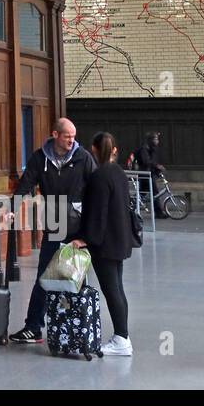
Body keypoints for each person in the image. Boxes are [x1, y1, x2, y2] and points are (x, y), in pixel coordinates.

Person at [7, 117, 98, 345]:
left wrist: (88, 233)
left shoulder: (83, 158)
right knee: (44, 276)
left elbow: (97, 188)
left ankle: (79, 329)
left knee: (76, 277)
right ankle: (33, 327)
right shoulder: (40, 158)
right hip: (54, 225)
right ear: (55, 135)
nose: (71, 140)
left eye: (74, 136)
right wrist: (12, 208)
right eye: (67, 136)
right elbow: (25, 184)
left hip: (78, 227)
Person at [71, 131, 134, 356]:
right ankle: (123, 335)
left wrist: (86, 239)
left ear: (94, 150)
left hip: (105, 244)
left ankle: (121, 339)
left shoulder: (98, 177)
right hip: (120, 239)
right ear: (114, 150)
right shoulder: (118, 173)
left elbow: (97, 214)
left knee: (111, 290)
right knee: (118, 288)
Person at [133, 131, 165, 214]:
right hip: (145, 174)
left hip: (148, 174)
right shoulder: (144, 148)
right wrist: (157, 166)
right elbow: (146, 161)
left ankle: (131, 206)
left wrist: (157, 169)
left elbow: (152, 161)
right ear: (151, 140)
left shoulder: (151, 149)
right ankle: (158, 212)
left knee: (142, 194)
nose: (157, 141)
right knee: (154, 193)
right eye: (155, 139)